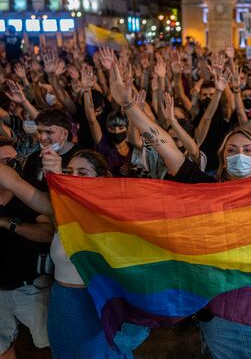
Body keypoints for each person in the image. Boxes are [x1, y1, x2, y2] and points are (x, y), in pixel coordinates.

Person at [108, 60, 251, 358]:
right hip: (214, 305)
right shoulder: (205, 189)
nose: (240, 155)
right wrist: (130, 107)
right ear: (222, 159)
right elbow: (167, 149)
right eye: (232, 150)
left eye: (248, 150)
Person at [0, 149, 147, 358]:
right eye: (70, 172)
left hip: (92, 303)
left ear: (101, 179)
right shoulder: (62, 209)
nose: (74, 177)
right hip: (62, 299)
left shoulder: (111, 216)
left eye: (83, 172)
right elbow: (15, 183)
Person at [0, 145, 52, 359]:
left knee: (49, 342)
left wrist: (8, 224)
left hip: (30, 288)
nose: (10, 167)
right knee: (3, 347)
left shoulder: (30, 192)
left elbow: (48, 232)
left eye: (13, 161)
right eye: (4, 161)